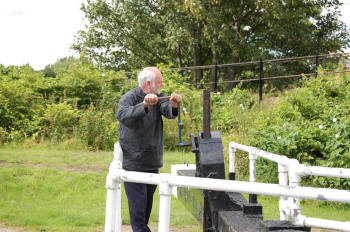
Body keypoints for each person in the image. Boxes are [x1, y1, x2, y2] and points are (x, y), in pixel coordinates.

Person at [117, 67, 182, 232]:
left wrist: (174, 105)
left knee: (145, 211)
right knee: (138, 216)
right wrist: (144, 104)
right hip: (133, 163)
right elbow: (123, 116)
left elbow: (168, 111)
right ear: (148, 84)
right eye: (160, 82)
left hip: (152, 162)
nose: (162, 85)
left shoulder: (160, 97)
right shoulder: (129, 98)